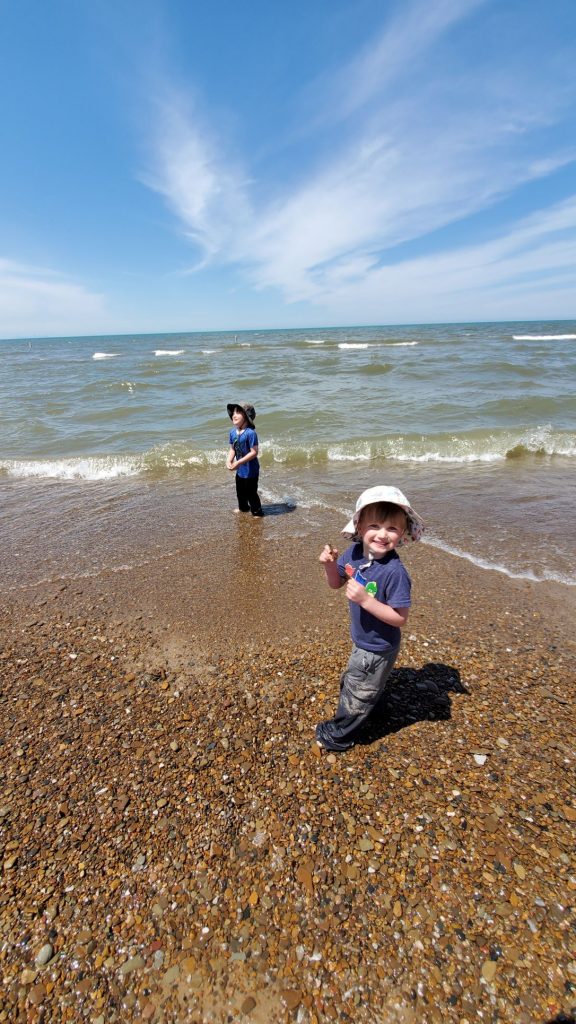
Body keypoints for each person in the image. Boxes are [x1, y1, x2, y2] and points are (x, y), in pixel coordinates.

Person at [316, 485, 424, 752]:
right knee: (364, 681)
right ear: (360, 527)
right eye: (375, 525)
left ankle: (339, 735)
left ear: (402, 534)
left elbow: (400, 619)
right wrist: (330, 565)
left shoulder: (394, 572)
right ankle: (375, 707)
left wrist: (366, 600)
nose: (383, 534)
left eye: (392, 528)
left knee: (358, 691)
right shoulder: (353, 554)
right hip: (362, 639)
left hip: (378, 645)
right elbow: (336, 583)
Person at [226, 402, 264, 517]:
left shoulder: (251, 433)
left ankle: (257, 512)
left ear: (246, 417)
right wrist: (229, 460)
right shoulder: (233, 432)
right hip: (240, 471)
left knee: (251, 493)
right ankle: (243, 508)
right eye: (234, 412)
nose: (234, 415)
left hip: (251, 471)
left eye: (238, 412)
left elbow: (254, 452)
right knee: (240, 492)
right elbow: (233, 449)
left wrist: (238, 462)